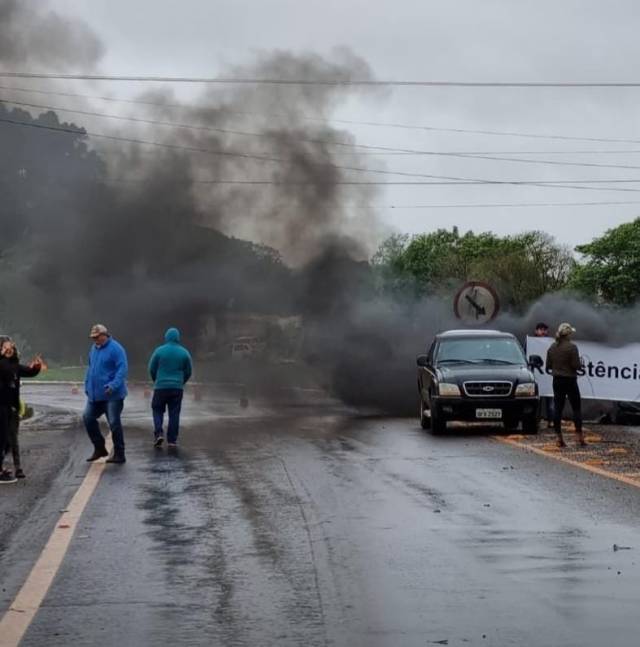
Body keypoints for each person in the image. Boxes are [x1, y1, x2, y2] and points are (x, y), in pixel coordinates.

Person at [83, 324, 128, 463]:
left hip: (112, 395)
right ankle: (99, 448)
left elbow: (122, 369)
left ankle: (120, 454)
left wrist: (113, 385)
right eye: (93, 338)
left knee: (114, 422)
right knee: (87, 417)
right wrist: (87, 385)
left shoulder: (116, 349)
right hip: (95, 395)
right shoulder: (94, 349)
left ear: (104, 335)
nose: (95, 340)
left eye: (97, 337)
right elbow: (90, 369)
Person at [0, 340, 42, 483]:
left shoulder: (14, 365)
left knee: (12, 438)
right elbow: (5, 369)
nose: (9, 350)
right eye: (5, 347)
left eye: (11, 347)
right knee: (3, 438)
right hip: (2, 406)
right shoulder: (3, 364)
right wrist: (5, 356)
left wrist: (36, 367)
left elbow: (28, 371)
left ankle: (17, 468)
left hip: (12, 407)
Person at [148, 327, 192, 449]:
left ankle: (158, 433)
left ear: (166, 337)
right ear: (178, 338)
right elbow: (188, 371)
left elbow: (151, 368)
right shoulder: (184, 352)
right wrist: (181, 382)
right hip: (177, 388)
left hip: (160, 386)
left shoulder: (159, 351)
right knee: (174, 413)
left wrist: (156, 380)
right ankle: (172, 440)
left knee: (157, 409)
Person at [546, 322, 585, 448]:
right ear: (568, 334)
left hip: (557, 380)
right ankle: (579, 437)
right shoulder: (572, 347)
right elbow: (576, 366)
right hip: (570, 380)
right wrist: (581, 365)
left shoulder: (552, 347)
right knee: (576, 408)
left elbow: (548, 366)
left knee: (558, 408)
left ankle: (559, 438)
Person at [534, 322, 555, 428]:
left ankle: (551, 421)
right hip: (536, 377)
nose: (543, 331)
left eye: (545, 329)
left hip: (549, 377)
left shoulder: (552, 343)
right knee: (537, 401)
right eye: (541, 329)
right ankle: (536, 421)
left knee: (550, 402)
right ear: (536, 331)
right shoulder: (531, 342)